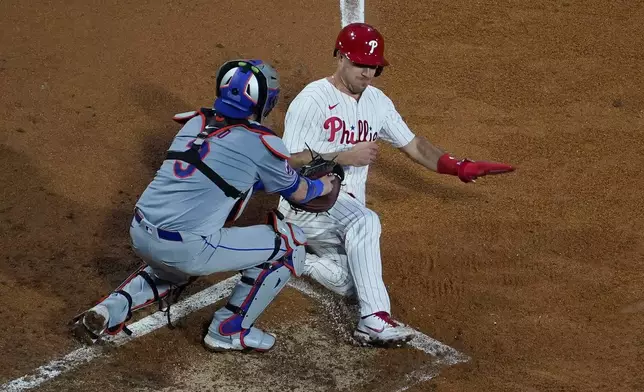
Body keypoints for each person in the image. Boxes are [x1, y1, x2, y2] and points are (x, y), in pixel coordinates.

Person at [71, 59, 336, 353]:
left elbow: (235, 176)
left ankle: (109, 310)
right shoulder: (260, 143)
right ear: (264, 103)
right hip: (187, 248)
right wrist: (328, 183)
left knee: (170, 268)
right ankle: (229, 330)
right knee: (290, 244)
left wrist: (292, 165)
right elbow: (300, 193)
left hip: (140, 232)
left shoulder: (195, 123)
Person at [277, 23, 515, 347]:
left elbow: (415, 146)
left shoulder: (377, 103)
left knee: (353, 283)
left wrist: (459, 167)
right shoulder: (313, 100)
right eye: (361, 64)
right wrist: (342, 156)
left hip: (337, 213)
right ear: (341, 57)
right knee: (366, 221)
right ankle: (373, 322)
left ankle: (290, 252)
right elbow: (285, 161)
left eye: (374, 66)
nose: (367, 73)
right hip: (306, 203)